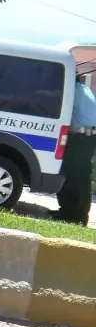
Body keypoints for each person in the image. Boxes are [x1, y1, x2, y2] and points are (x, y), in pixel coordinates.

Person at [57, 78, 96, 225]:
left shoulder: (73, 92)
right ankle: (68, 211)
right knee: (71, 173)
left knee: (79, 177)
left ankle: (78, 217)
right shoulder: (83, 89)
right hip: (85, 137)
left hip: (82, 138)